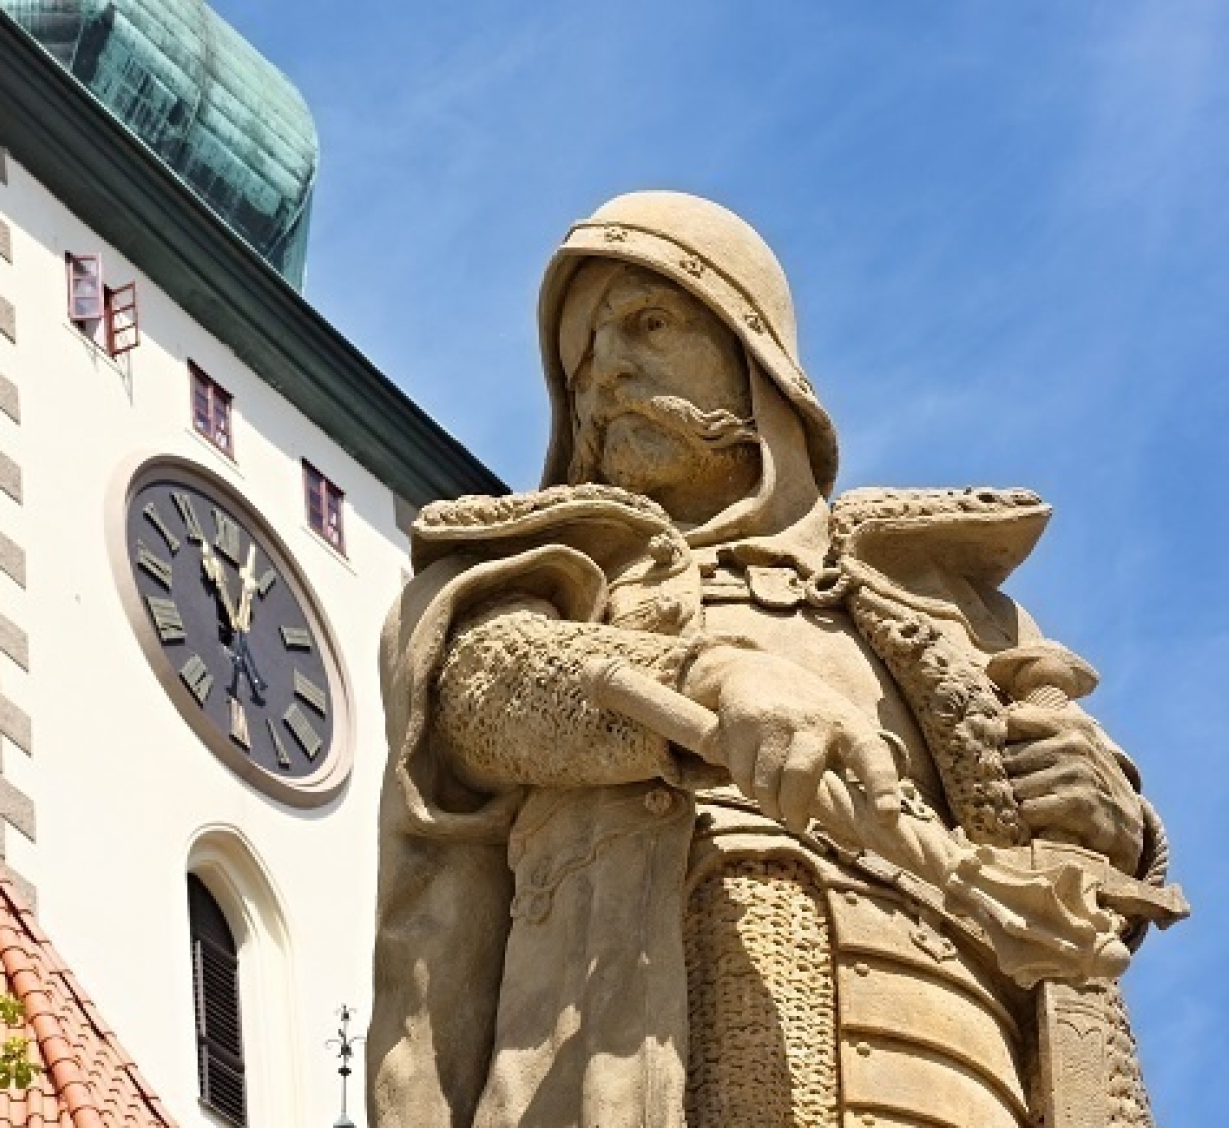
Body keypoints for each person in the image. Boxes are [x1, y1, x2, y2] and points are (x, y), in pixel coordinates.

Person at [367, 192, 1174, 1128]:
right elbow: (480, 689)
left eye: (648, 325)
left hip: (962, 1076)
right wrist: (706, 678)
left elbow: (1095, 860)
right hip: (655, 1060)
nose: (608, 377)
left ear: (754, 352)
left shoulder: (946, 605)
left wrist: (1113, 813)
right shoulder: (557, 576)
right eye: (580, 365)